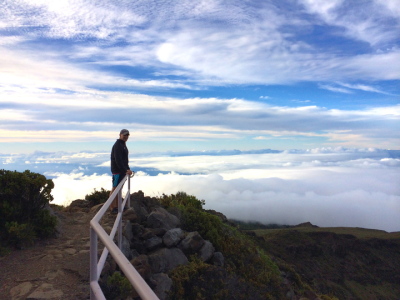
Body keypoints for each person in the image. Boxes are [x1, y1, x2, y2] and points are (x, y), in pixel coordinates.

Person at [110, 129, 133, 213]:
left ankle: (118, 206)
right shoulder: (118, 145)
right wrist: (125, 169)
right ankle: (113, 207)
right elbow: (118, 160)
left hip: (122, 171)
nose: (126, 137)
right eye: (124, 135)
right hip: (117, 171)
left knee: (119, 189)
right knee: (115, 188)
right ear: (120, 135)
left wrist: (127, 169)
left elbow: (124, 159)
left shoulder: (122, 144)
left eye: (127, 135)